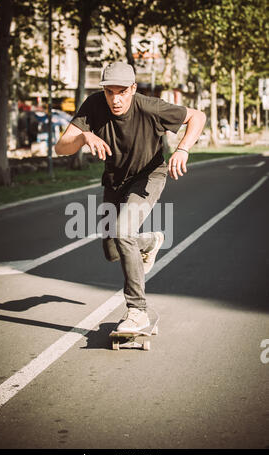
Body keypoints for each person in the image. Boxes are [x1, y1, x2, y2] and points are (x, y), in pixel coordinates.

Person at [55, 62, 206, 333]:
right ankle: (150, 240)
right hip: (115, 180)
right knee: (112, 250)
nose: (116, 99)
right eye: (109, 92)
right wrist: (84, 137)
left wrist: (183, 149)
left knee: (124, 231)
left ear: (133, 89)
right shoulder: (93, 105)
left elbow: (198, 116)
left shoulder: (150, 106)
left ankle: (137, 311)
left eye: (122, 91)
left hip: (148, 176)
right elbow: (61, 147)